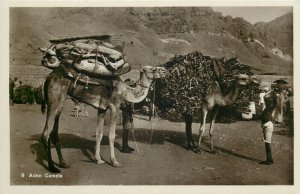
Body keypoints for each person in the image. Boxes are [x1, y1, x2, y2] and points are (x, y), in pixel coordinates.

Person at [260, 88, 277, 165]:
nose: (267, 101)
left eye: (269, 101)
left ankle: (269, 160)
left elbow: (266, 97)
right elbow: (266, 98)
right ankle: (270, 159)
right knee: (267, 143)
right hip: (266, 125)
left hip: (268, 125)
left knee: (267, 143)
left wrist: (271, 93)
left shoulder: (270, 107)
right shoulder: (267, 108)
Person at [120, 78, 136, 153]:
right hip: (126, 112)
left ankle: (126, 145)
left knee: (127, 130)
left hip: (129, 113)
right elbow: (122, 105)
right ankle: (124, 147)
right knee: (126, 130)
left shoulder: (129, 94)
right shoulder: (125, 94)